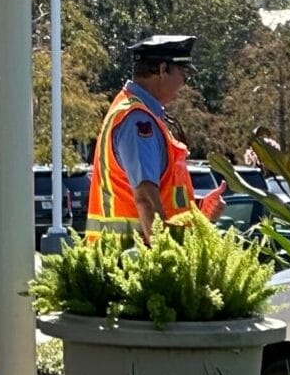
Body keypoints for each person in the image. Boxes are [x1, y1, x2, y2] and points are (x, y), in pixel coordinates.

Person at [85, 34, 221, 240]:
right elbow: (145, 200)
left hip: (132, 258)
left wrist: (199, 210)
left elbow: (161, 195)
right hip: (135, 261)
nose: (185, 83)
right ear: (162, 69)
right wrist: (167, 256)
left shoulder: (137, 113)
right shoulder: (138, 121)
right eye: (184, 74)